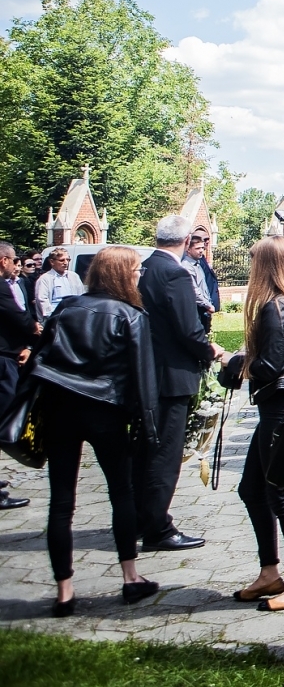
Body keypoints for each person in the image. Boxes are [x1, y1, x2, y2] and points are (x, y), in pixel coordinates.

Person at [31, 246, 161, 615]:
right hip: (106, 410)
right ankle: (130, 576)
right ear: (121, 274)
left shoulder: (66, 308)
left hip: (61, 410)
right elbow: (143, 376)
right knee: (121, 491)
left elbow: (42, 356)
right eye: (135, 271)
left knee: (61, 501)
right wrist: (149, 428)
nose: (140, 276)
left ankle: (64, 590)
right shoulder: (130, 315)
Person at [227, 237, 284, 612]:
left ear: (264, 265)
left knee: (282, 494)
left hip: (278, 410)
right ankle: (269, 572)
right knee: (251, 489)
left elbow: (270, 366)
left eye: (252, 261)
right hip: (281, 409)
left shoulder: (273, 307)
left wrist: (235, 364)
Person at [136, 214, 226, 552]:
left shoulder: (146, 267)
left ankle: (140, 516)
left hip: (149, 371)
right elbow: (188, 330)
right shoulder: (174, 272)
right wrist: (210, 350)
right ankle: (158, 527)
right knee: (166, 453)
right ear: (187, 240)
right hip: (172, 376)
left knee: (147, 449)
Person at [0, 242, 38, 510]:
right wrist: (34, 335)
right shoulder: (1, 287)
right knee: (5, 421)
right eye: (13, 261)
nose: (16, 266)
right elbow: (19, 318)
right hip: (3, 360)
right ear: (3, 261)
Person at [181, 227, 220, 332]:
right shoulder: (187, 266)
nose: (201, 251)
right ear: (188, 249)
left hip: (203, 309)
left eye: (202, 248)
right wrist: (207, 305)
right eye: (198, 248)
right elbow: (194, 290)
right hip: (197, 309)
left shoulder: (197, 264)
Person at [34, 247, 84, 323]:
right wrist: (52, 318)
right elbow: (42, 301)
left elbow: (81, 296)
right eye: (62, 260)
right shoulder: (45, 279)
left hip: (74, 317)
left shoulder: (74, 276)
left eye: (68, 260)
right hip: (55, 319)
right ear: (52, 262)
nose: (66, 262)